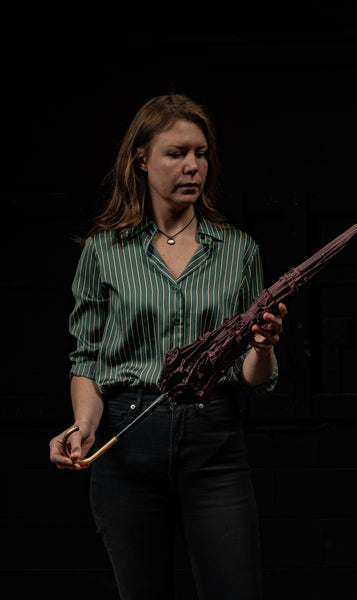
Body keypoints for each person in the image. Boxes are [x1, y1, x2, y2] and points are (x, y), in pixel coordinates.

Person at [49, 93, 287, 600]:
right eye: (176, 153)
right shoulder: (104, 250)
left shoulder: (239, 250)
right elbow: (86, 358)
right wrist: (82, 426)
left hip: (214, 440)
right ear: (141, 159)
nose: (193, 166)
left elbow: (256, 378)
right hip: (125, 441)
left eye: (201, 154)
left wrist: (263, 346)